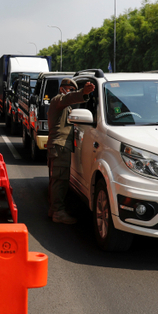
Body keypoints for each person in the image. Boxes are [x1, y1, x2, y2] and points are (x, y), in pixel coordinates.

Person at [46, 78, 95, 224]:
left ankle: (54, 210)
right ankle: (58, 212)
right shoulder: (58, 100)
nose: (71, 93)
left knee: (57, 180)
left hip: (58, 146)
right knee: (60, 180)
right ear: (63, 89)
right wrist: (83, 93)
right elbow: (68, 98)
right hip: (60, 146)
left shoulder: (64, 106)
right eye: (70, 90)